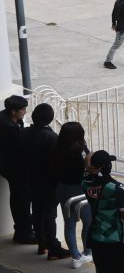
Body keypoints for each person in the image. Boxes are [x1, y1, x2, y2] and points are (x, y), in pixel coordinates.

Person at [23, 103, 71, 260]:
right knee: (50, 216)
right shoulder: (52, 138)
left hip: (30, 180)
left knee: (37, 212)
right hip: (49, 183)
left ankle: (42, 244)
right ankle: (53, 249)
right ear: (50, 118)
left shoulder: (24, 134)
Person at [50, 121, 92, 268]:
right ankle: (88, 252)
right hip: (78, 191)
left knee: (69, 224)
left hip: (62, 189)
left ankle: (75, 257)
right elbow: (88, 165)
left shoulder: (57, 148)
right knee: (89, 222)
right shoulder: (80, 149)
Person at [0, 94, 34, 244]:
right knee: (21, 199)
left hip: (11, 166)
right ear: (13, 111)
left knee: (20, 197)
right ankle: (23, 232)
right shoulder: (8, 128)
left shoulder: (9, 119)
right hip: (14, 168)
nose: (25, 112)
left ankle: (24, 229)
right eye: (23, 109)